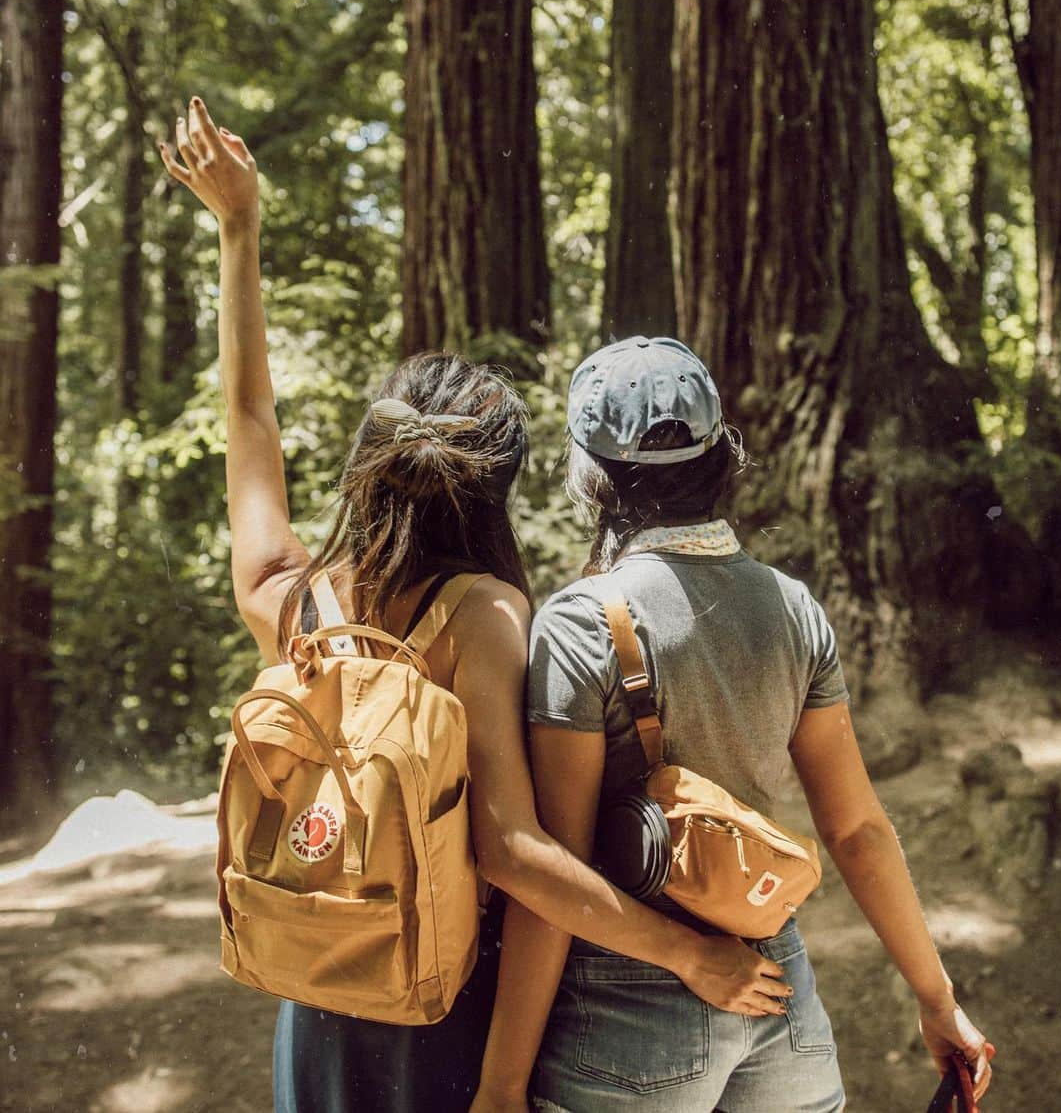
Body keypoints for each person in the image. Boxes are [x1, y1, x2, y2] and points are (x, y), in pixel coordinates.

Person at [157, 103, 795, 1113]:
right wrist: (690, 955)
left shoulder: (288, 601)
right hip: (436, 999)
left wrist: (239, 228)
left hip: (316, 998)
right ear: (490, 491)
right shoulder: (482, 616)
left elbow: (248, 421)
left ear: (369, 464)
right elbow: (513, 852)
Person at [471, 337, 995, 1113]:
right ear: (721, 458)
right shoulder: (792, 607)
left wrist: (502, 1085)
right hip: (781, 1003)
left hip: (629, 1018)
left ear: (592, 477)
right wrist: (936, 995)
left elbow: (556, 875)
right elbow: (857, 831)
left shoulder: (584, 622)